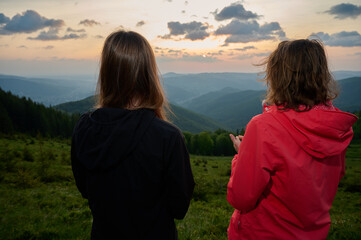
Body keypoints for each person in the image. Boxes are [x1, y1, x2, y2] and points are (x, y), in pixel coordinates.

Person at [228, 39, 358, 239]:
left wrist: (241, 156)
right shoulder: (334, 127)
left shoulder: (263, 126)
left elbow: (240, 198)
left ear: (278, 76)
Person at [71, 30, 195, 240]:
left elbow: (85, 189)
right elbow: (179, 207)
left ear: (107, 72)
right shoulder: (167, 137)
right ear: (148, 73)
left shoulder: (84, 128)